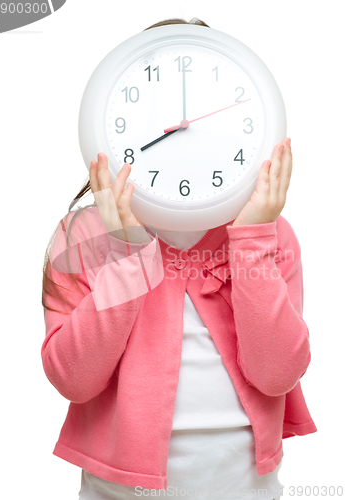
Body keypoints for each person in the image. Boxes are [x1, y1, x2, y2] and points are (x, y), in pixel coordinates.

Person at [41, 17, 317, 500]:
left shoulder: (269, 233)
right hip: (119, 491)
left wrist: (252, 237)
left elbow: (278, 373)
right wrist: (128, 252)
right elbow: (73, 380)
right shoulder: (81, 235)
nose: (184, 128)